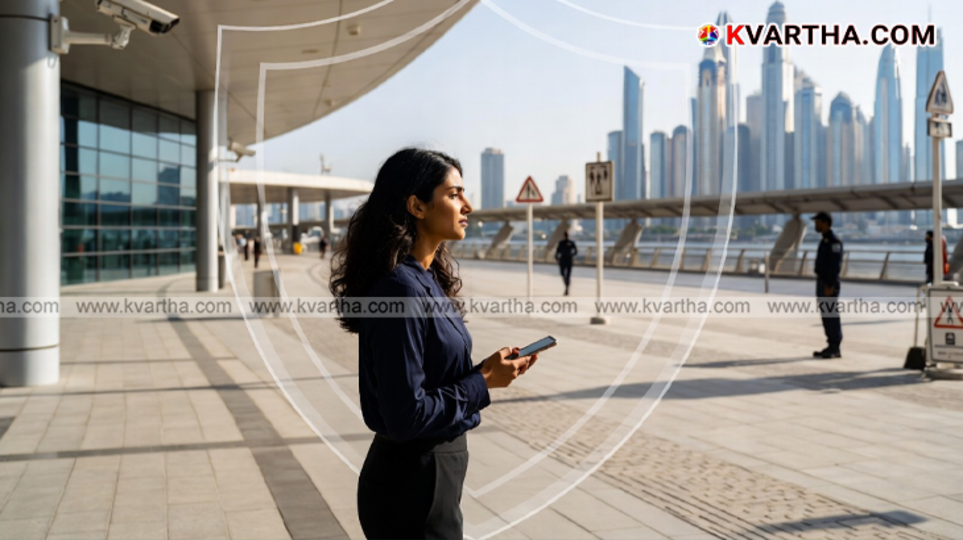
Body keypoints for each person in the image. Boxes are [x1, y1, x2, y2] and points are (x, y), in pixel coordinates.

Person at [330, 148, 538, 540]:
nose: (468, 205)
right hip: (412, 487)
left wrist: (484, 372)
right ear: (417, 206)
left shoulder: (424, 281)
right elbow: (406, 414)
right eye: (454, 193)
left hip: (428, 479)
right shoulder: (401, 291)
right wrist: (483, 383)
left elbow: (428, 383)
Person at [812, 212, 843, 359]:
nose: (815, 225)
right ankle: (830, 345)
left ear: (825, 223)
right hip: (822, 281)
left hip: (829, 284)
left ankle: (835, 347)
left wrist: (830, 284)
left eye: (817, 222)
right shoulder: (824, 240)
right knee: (825, 315)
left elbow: (835, 266)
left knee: (831, 314)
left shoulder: (834, 242)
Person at [555, 231, 577, 295]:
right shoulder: (561, 243)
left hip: (567, 259)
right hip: (564, 259)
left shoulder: (571, 242)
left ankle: (567, 288)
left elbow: (576, 251)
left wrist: (571, 255)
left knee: (567, 275)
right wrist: (557, 258)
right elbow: (557, 251)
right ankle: (566, 286)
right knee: (563, 274)